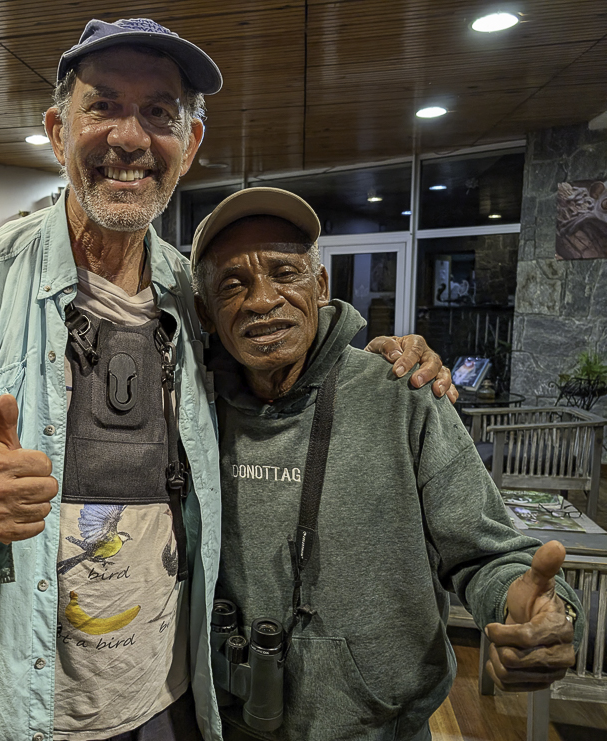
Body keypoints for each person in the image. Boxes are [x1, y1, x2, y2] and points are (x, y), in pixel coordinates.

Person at [0, 18, 452, 741]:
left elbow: (284, 357)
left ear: (190, 144)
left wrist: (380, 356)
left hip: (170, 703)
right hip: (11, 708)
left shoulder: (195, 299)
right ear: (58, 131)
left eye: (159, 113)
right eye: (104, 105)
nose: (130, 137)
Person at [190, 187, 582, 741]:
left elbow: (485, 553)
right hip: (229, 721)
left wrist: (535, 608)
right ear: (205, 312)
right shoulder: (191, 411)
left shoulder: (402, 394)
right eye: (233, 285)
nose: (262, 300)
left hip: (384, 727)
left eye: (285, 272)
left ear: (320, 286)